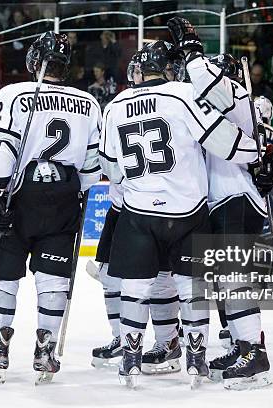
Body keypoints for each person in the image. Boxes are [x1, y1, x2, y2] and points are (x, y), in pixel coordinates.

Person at [100, 39, 253, 389]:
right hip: (188, 211)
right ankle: (196, 358)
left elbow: (111, 166)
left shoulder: (117, 104)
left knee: (135, 288)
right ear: (170, 68)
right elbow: (224, 141)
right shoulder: (183, 94)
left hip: (138, 211)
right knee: (192, 287)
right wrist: (257, 152)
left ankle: (130, 358)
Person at [0, 32, 101, 385]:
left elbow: (2, 146)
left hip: (19, 195)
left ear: (35, 61)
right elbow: (92, 165)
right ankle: (46, 349)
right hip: (63, 197)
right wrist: (78, 197)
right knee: (53, 278)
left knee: (3, 275)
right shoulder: (89, 103)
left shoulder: (14, 93)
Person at [168, 17, 273, 391]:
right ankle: (240, 346)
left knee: (233, 281)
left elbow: (204, 80)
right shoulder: (221, 103)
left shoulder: (228, 90)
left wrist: (192, 49)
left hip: (234, 198)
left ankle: (254, 354)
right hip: (224, 200)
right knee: (223, 283)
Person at [91, 52, 182, 374]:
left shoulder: (174, 100)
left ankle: (168, 341)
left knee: (161, 279)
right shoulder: (124, 104)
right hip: (125, 206)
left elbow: (110, 164)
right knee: (110, 276)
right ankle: (123, 338)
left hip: (152, 206)